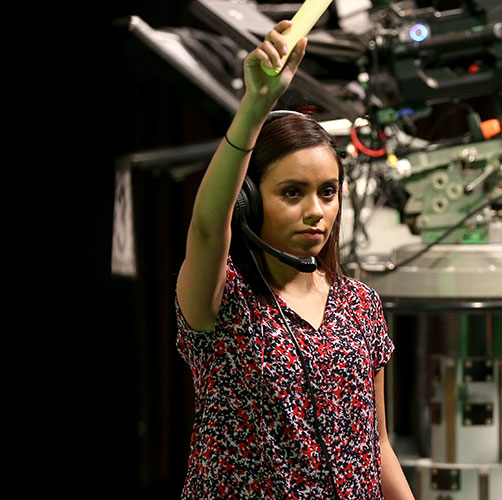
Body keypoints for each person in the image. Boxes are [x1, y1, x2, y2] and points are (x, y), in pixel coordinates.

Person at [174, 21, 413, 499]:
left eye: (328, 192)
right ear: (250, 203)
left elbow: (378, 442)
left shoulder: (360, 302)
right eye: (291, 192)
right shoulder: (221, 301)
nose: (316, 211)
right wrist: (254, 108)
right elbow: (206, 225)